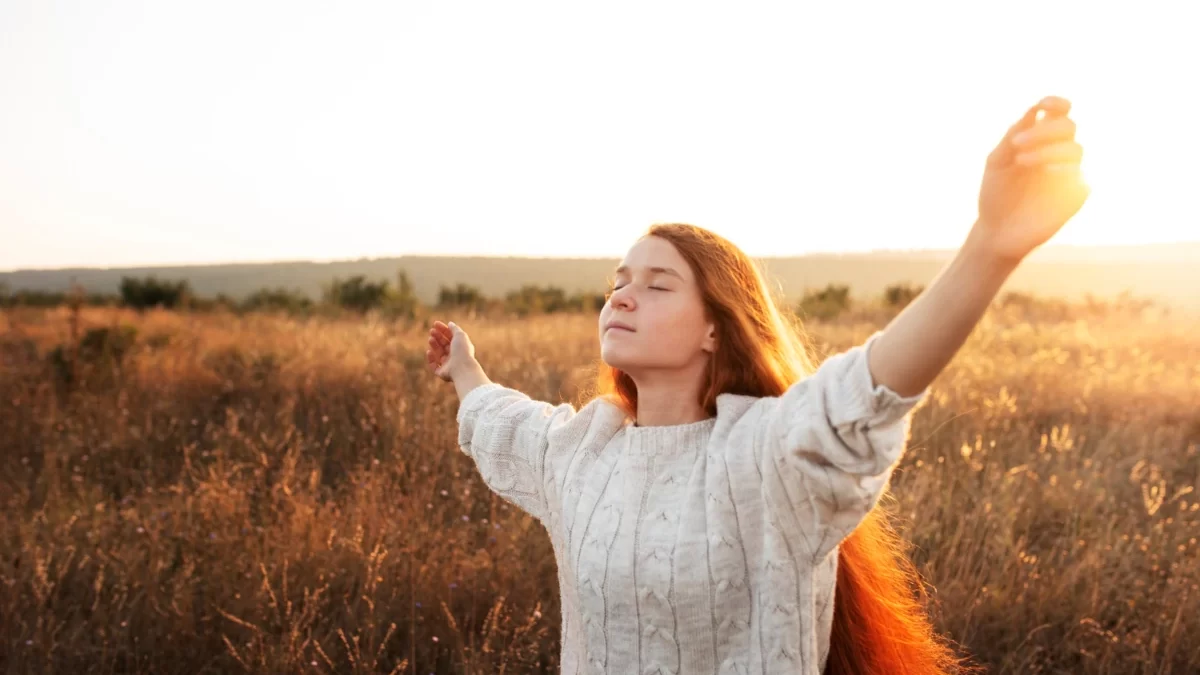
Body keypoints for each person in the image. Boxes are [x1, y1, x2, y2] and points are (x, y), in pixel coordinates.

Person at [426, 96, 1088, 675]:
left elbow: (870, 391)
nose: (624, 296)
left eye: (657, 284)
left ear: (716, 329)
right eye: (619, 281)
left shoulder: (765, 455)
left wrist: (990, 247)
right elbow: (499, 419)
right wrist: (464, 367)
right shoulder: (580, 450)